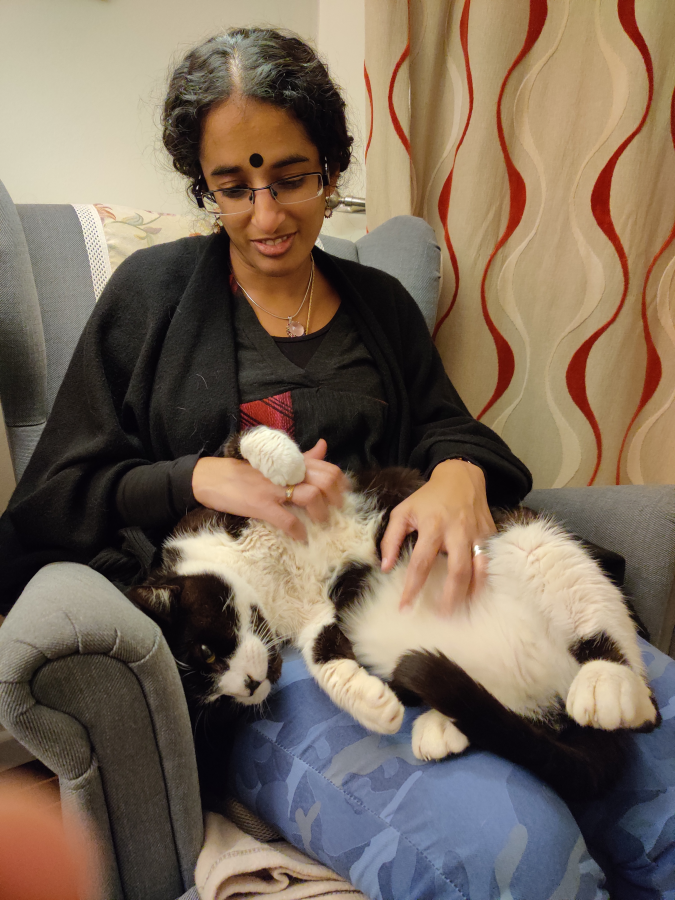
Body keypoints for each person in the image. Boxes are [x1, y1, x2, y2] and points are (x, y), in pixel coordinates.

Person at [0, 26, 673, 900]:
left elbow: (450, 430)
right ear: (202, 183)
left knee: (660, 773)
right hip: (283, 660)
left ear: (331, 166)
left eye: (291, 178)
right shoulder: (151, 298)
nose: (266, 216)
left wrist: (457, 475)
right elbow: (50, 500)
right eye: (232, 188)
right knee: (518, 850)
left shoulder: (379, 305)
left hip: (434, 597)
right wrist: (190, 477)